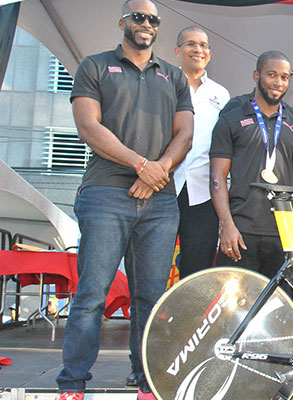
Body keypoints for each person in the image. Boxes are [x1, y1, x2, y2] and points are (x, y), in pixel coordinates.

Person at [55, 1, 194, 399]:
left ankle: (148, 382)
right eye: (138, 17)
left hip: (160, 200)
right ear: (123, 22)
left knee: (152, 299)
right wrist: (139, 165)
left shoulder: (174, 76)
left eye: (153, 19)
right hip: (104, 194)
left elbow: (184, 135)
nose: (146, 24)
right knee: (92, 295)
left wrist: (158, 171)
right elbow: (87, 125)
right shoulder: (95, 66)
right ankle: (72, 383)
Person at [209, 50, 293, 281]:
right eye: (272, 75)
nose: (278, 82)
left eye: (284, 77)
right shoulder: (232, 118)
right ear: (256, 74)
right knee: (235, 308)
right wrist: (226, 225)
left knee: (281, 309)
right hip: (241, 231)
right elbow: (217, 178)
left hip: (284, 233)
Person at [173, 26, 230, 279]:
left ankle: (191, 318)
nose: (198, 49)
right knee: (154, 261)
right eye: (191, 44)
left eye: (204, 45)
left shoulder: (221, 94)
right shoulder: (164, 83)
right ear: (177, 51)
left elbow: (225, 146)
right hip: (162, 185)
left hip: (203, 192)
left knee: (197, 266)